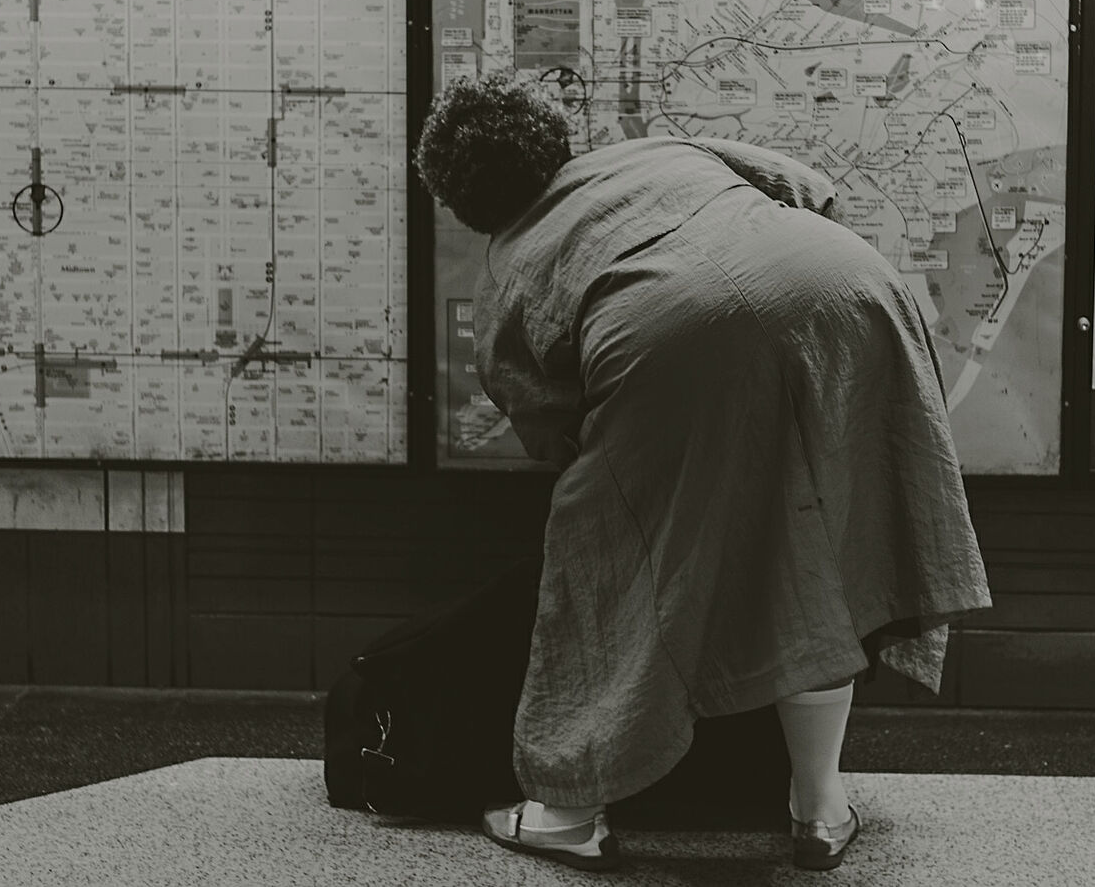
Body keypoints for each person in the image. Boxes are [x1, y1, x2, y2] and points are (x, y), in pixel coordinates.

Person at [414, 73, 993, 873]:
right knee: (825, 552)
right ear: (553, 136)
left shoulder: (509, 266)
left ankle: (566, 812)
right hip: (852, 293)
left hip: (673, 335)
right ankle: (820, 809)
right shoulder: (658, 152)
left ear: (460, 202)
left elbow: (550, 425)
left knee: (600, 561)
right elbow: (810, 191)